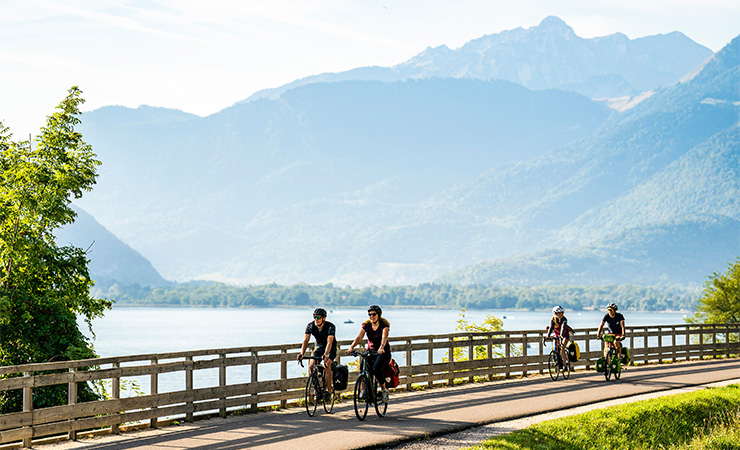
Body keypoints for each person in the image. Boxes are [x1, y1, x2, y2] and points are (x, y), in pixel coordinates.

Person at [346, 305, 391, 402]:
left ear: (378, 315)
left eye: (374, 314)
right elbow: (359, 338)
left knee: (376, 369)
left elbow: (384, 337)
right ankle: (363, 391)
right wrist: (351, 347)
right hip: (370, 352)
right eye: (369, 314)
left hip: (383, 353)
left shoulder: (384, 326)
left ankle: (384, 390)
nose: (371, 316)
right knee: (363, 370)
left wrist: (381, 347)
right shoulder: (366, 325)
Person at [298, 308, 336, 401]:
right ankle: (317, 388)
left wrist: (326, 354)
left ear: (323, 318)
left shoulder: (330, 326)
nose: (316, 319)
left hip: (330, 347)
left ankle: (328, 391)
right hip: (318, 347)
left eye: (318, 317)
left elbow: (329, 342)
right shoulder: (310, 326)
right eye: (314, 317)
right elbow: (306, 340)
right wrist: (301, 353)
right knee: (311, 366)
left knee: (327, 365)